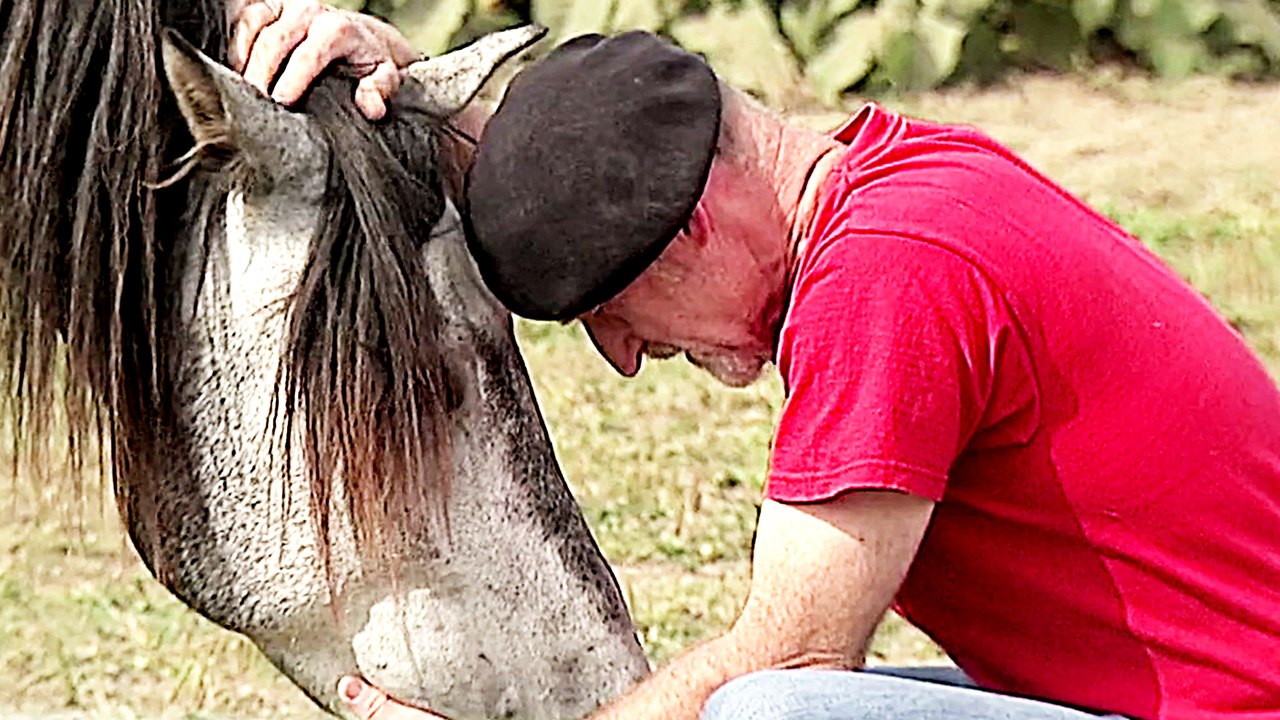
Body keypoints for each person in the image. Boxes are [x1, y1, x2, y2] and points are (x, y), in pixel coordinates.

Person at [230, 2, 1280, 719]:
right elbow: (589, 163)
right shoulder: (906, 182)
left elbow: (793, 653)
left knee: (770, 711)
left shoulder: (884, 283)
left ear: (688, 229)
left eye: (609, 309)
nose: (626, 357)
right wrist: (402, 83)